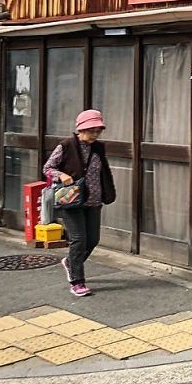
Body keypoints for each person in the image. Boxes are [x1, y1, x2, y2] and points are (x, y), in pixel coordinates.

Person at [43, 109, 116, 297]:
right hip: (71, 200)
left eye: (98, 131)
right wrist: (62, 175)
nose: (95, 134)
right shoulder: (66, 146)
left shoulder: (98, 147)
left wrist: (107, 190)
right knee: (79, 239)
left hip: (93, 199)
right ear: (81, 129)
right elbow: (48, 168)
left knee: (93, 239)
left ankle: (71, 262)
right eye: (92, 130)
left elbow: (103, 171)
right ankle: (77, 281)